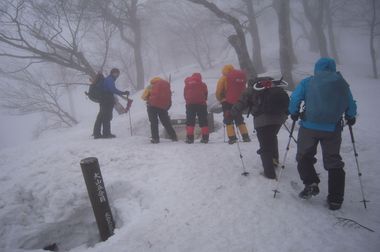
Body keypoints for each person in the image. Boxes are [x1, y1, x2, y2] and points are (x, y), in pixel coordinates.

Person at [288, 58, 357, 210]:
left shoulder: (308, 82)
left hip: (309, 126)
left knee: (304, 156)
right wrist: (351, 116)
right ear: (333, 68)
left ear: (316, 68)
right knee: (333, 161)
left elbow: (295, 98)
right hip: (332, 128)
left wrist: (293, 112)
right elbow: (350, 103)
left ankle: (311, 182)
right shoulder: (342, 84)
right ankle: (335, 199)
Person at [232, 77, 289, 179]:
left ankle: (269, 173)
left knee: (265, 144)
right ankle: (274, 160)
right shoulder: (273, 85)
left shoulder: (252, 88)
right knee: (272, 136)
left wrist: (233, 112)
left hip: (262, 120)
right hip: (279, 118)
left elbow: (242, 102)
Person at [216, 64, 251, 144]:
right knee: (239, 118)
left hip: (227, 102)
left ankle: (232, 138)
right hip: (238, 102)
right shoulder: (239, 78)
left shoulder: (224, 78)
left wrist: (220, 99)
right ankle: (245, 136)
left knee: (228, 119)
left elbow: (219, 91)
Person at [93, 68, 129, 139]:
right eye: (116, 73)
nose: (117, 75)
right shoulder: (109, 79)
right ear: (113, 73)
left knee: (101, 116)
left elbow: (111, 89)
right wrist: (123, 93)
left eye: (118, 74)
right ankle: (106, 134)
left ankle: (97, 134)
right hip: (106, 100)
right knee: (107, 116)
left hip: (103, 100)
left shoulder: (108, 79)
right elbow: (112, 89)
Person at [142, 77, 177, 143]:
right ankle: (174, 137)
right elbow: (168, 96)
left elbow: (144, 96)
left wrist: (149, 98)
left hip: (152, 106)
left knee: (154, 122)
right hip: (163, 107)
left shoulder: (151, 86)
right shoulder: (165, 86)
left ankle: (155, 139)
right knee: (166, 122)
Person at [184, 73, 209, 144]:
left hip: (190, 105)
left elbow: (185, 95)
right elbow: (205, 94)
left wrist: (188, 102)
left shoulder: (187, 84)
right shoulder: (203, 84)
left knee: (190, 121)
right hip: (201, 104)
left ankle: (190, 138)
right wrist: (203, 100)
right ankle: (205, 138)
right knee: (203, 121)